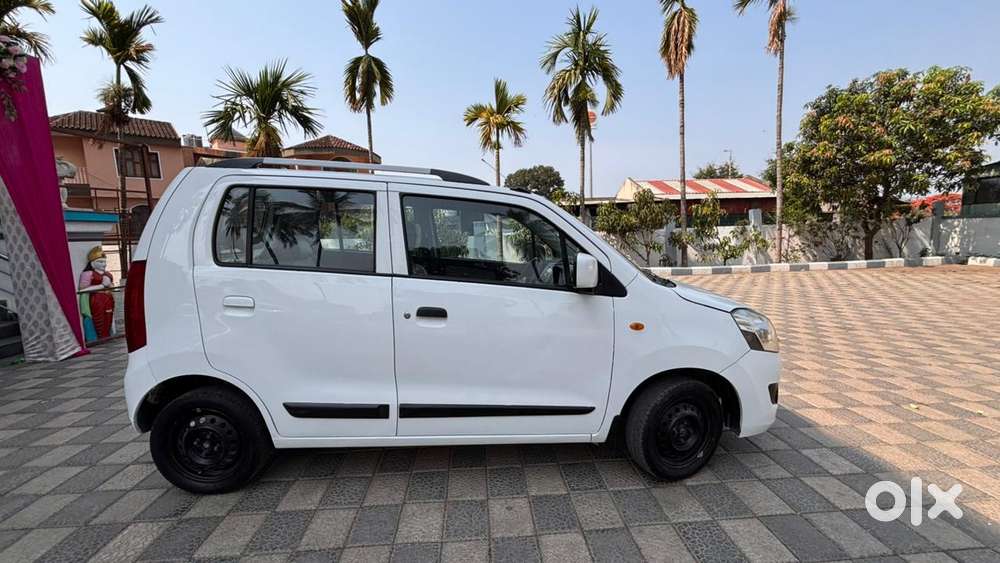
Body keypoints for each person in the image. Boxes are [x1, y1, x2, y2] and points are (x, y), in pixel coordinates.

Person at [79, 246, 115, 340]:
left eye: (104, 262)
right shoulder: (88, 274)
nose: (104, 264)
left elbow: (112, 288)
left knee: (108, 318)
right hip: (96, 300)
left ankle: (106, 335)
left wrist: (110, 285)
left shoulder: (107, 274)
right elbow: (82, 290)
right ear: (92, 263)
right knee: (99, 319)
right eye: (100, 262)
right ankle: (99, 336)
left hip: (108, 299)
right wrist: (102, 286)